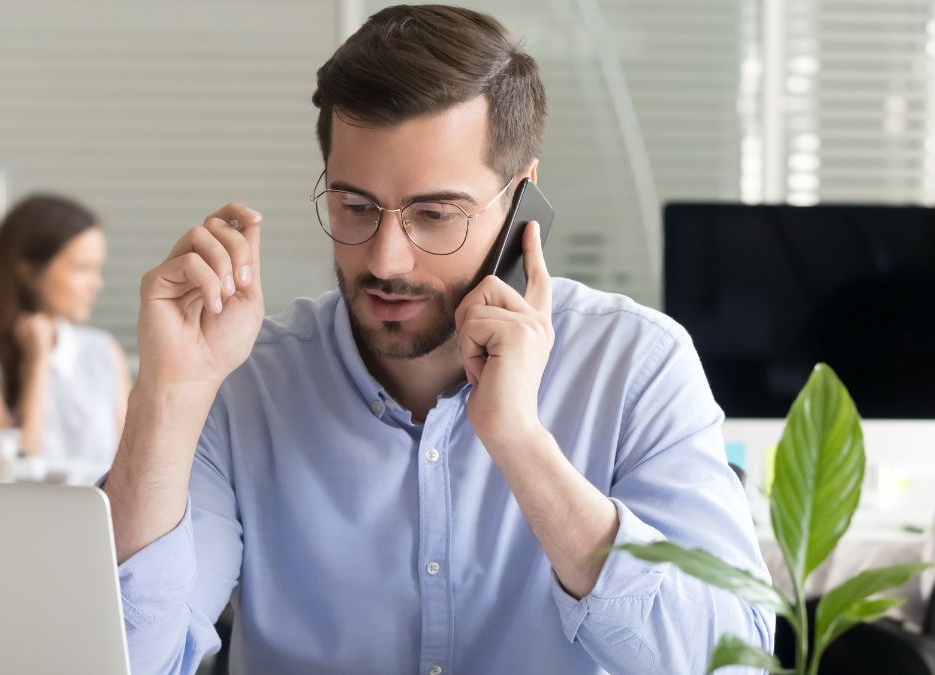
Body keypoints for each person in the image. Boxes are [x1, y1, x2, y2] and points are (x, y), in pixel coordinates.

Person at [104, 5, 774, 674]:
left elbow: (731, 663)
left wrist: (522, 445)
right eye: (355, 206)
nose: (387, 258)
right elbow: (127, 662)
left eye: (434, 214)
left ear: (519, 200)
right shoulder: (246, 384)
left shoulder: (635, 365)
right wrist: (170, 395)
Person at [0, 193, 130, 471]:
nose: (96, 284)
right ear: (28, 272)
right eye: (82, 268)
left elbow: (128, 458)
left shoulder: (104, 351)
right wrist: (37, 362)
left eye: (98, 269)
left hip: (102, 511)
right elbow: (13, 467)